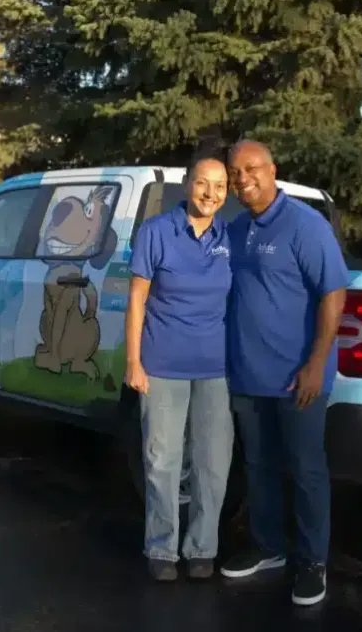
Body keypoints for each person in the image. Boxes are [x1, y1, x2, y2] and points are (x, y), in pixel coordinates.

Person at [219, 140, 349, 607]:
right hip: (248, 376)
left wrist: (316, 364)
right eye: (235, 172)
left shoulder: (305, 226)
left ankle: (313, 561)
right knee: (259, 465)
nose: (243, 179)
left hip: (299, 376)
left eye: (251, 169)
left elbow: (334, 294)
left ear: (273, 170)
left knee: (306, 468)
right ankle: (269, 547)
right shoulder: (235, 229)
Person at [125, 154, 235, 582]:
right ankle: (162, 548)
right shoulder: (157, 231)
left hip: (216, 368)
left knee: (213, 462)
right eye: (203, 183)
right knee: (162, 460)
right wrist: (134, 362)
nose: (211, 193)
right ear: (187, 184)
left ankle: (203, 547)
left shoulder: (231, 236)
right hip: (163, 365)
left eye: (220, 186)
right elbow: (137, 299)